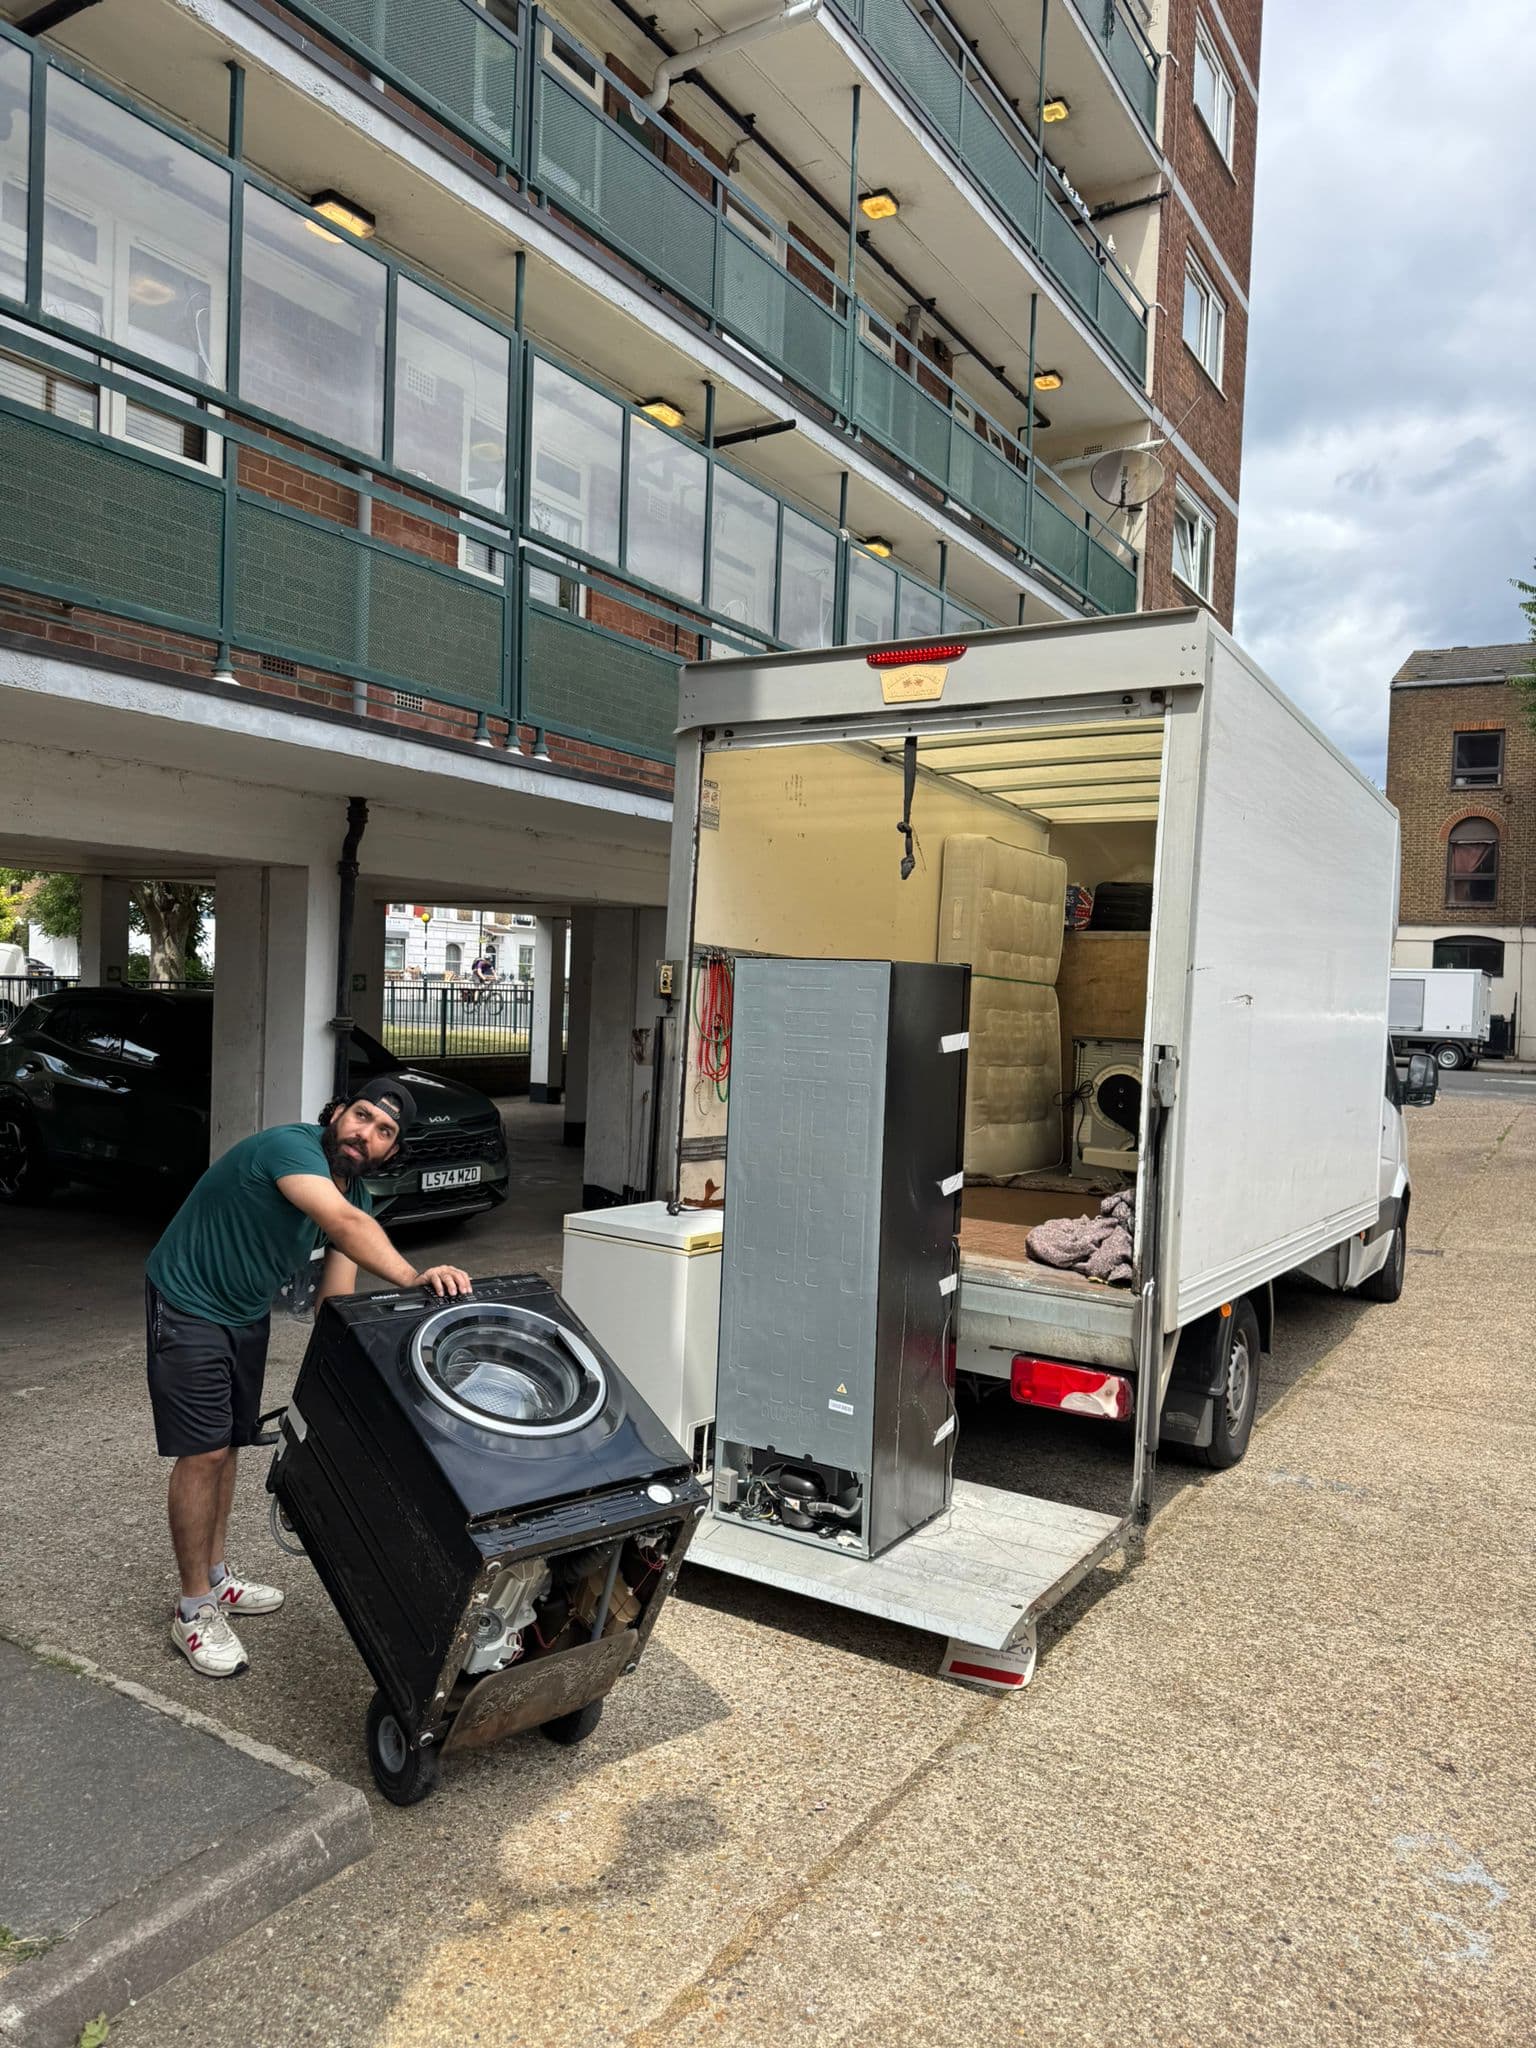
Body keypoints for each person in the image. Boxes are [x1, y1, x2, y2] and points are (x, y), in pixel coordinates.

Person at [144, 1077, 472, 1678]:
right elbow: (340, 1222)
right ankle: (193, 1609)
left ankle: (216, 1577)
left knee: (230, 1444)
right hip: (188, 1300)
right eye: (362, 1115)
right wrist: (413, 1276)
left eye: (383, 1131)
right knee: (204, 1451)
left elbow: (334, 1299)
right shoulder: (290, 1148)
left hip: (245, 1311)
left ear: (391, 1151)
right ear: (337, 1112)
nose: (365, 1134)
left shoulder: (358, 1196)